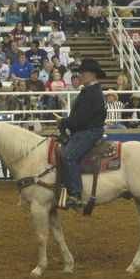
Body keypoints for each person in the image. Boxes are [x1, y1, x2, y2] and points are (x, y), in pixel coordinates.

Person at [56, 59, 107, 209]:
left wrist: (64, 122)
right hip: (89, 129)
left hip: (88, 131)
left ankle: (76, 194)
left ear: (92, 75)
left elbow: (81, 119)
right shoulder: (92, 91)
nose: (80, 76)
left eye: (83, 73)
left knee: (68, 156)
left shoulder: (91, 93)